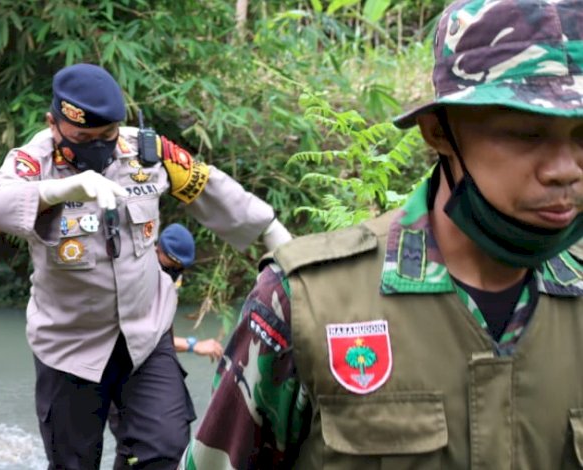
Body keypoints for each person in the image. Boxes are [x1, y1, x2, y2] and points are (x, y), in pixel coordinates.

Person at [182, 1, 583, 468]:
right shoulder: (308, 302)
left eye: (582, 136)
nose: (566, 169)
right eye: (526, 134)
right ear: (438, 131)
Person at [0, 63, 291, 469]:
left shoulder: (146, 152)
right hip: (68, 347)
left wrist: (273, 233)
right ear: (52, 124)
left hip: (145, 336)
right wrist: (62, 189)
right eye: (82, 139)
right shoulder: (33, 161)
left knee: (164, 451)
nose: (97, 146)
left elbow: (210, 186)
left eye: (106, 136)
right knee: (74, 463)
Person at [157, 223, 224, 362]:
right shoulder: (140, 277)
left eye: (179, 268)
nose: (174, 272)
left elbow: (164, 331)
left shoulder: (173, 278)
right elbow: (144, 339)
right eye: (170, 266)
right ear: (158, 249)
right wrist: (193, 345)